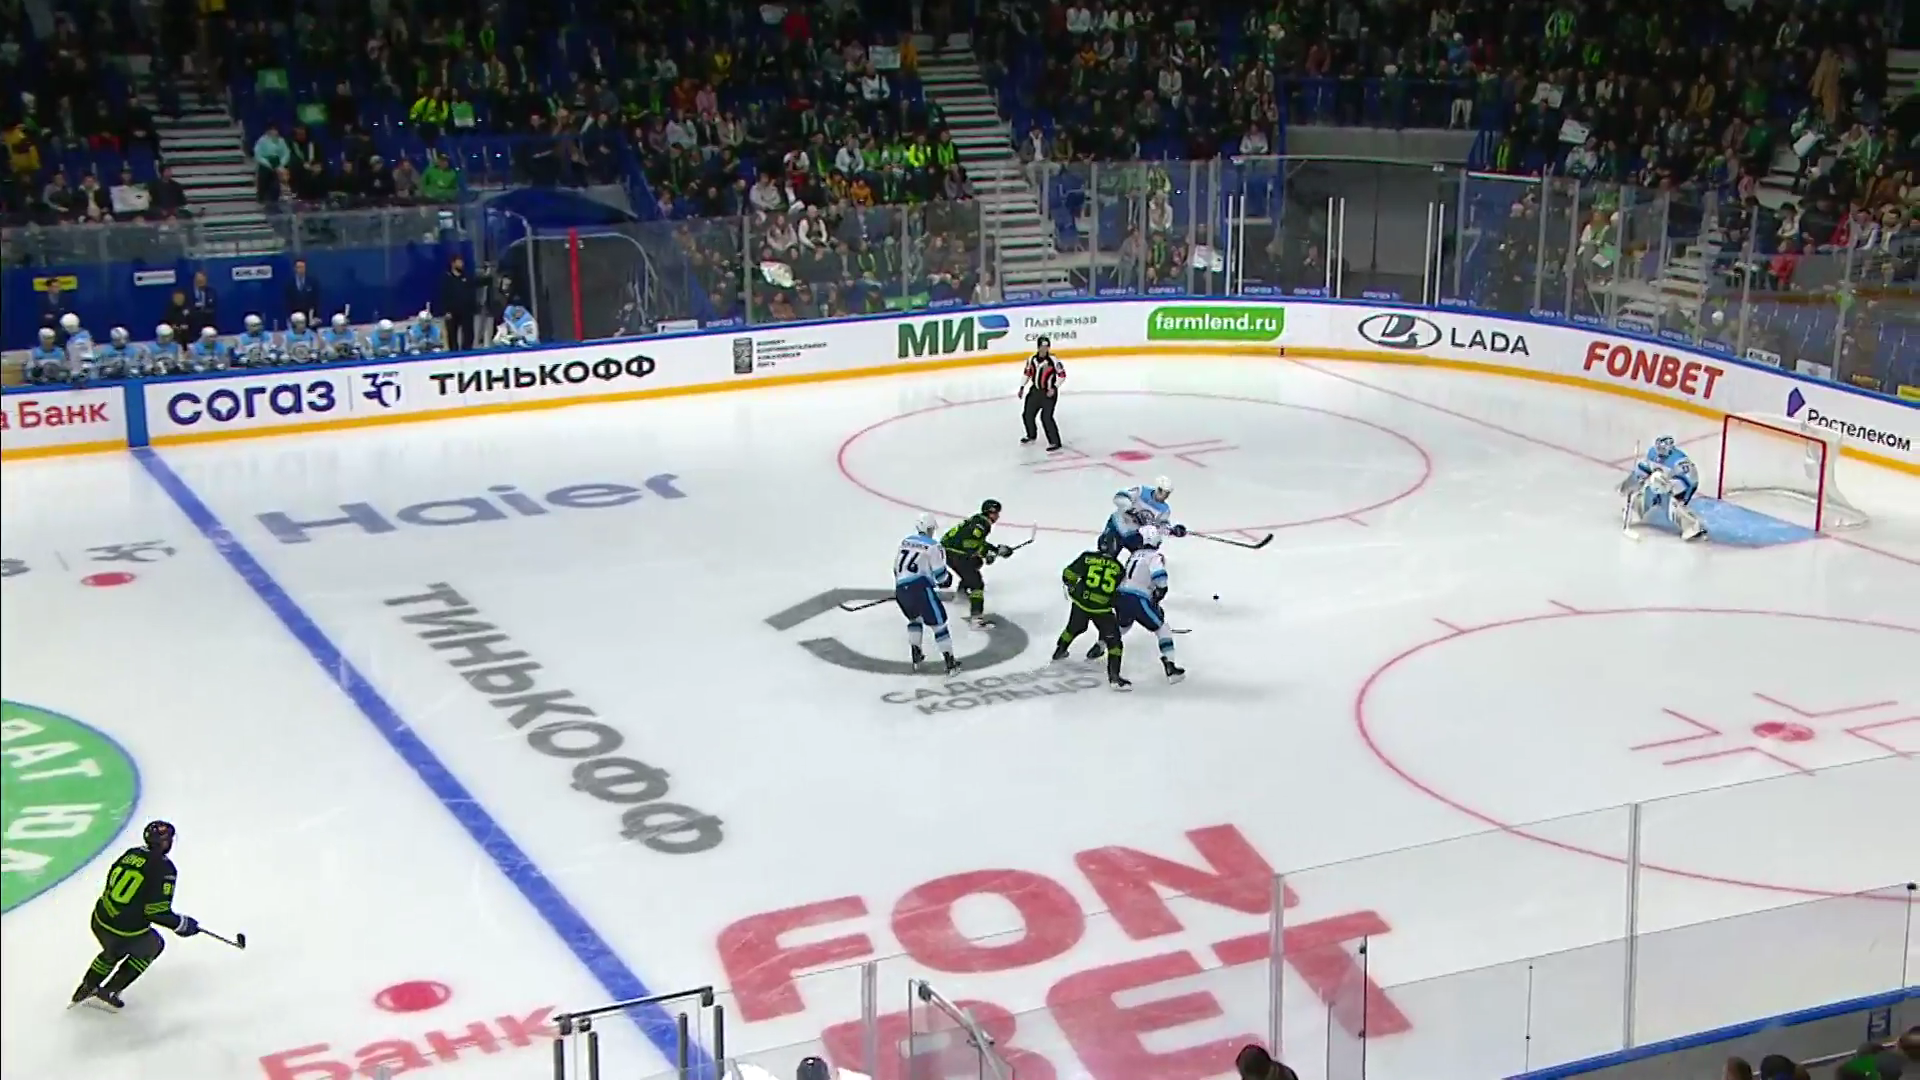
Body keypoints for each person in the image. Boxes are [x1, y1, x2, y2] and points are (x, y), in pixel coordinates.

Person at [70, 819, 200, 1010]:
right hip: (125, 929)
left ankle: (86, 989)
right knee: (153, 945)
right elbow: (157, 912)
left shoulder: (131, 854)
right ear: (165, 843)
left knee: (112, 951)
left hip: (101, 918)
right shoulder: (164, 869)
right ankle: (109, 992)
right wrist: (182, 924)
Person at [1091, 525, 1184, 683]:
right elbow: (1159, 576)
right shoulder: (1154, 556)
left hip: (1121, 595)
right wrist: (1161, 590)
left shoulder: (1134, 555)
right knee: (1162, 628)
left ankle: (1100, 645)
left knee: (1123, 625)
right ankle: (1170, 665)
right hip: (1137, 598)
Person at [1052, 530, 1130, 690]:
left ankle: (1060, 651)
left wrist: (1073, 587)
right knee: (1114, 643)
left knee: (1074, 628)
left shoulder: (1087, 557)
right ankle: (1114, 677)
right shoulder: (1119, 568)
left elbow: (1068, 574)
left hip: (1081, 603)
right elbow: (1121, 592)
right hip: (1102, 609)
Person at [895, 513, 962, 675]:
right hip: (920, 590)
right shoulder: (933, 546)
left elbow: (896, 568)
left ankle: (916, 655)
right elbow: (941, 576)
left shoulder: (905, 541)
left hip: (901, 589)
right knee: (939, 624)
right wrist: (946, 580)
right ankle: (950, 663)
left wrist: (904, 586)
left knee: (914, 619)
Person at [940, 498, 1017, 627]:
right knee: (977, 583)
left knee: (976, 563)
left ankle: (961, 596)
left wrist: (995, 550)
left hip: (949, 551)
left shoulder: (979, 520)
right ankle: (976, 619)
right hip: (954, 553)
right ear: (989, 512)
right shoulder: (982, 524)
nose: (998, 516)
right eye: (996, 513)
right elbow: (968, 543)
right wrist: (987, 553)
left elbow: (976, 542)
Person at [1620, 434, 1706, 540]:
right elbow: (1643, 470)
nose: (1660, 451)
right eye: (1659, 448)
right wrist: (1629, 484)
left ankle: (1692, 526)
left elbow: (1689, 480)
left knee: (1671, 505)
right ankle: (1634, 511)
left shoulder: (1679, 460)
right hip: (1661, 483)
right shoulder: (1652, 453)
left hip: (1683, 486)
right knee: (1648, 491)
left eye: (1663, 448)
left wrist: (1670, 487)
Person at [1103, 476, 1186, 552]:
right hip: (1118, 526)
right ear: (1157, 489)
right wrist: (1128, 506)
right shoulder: (1141, 491)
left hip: (1133, 535)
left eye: (1167, 494)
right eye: (1162, 491)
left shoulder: (1164, 510)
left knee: (1150, 546)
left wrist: (1172, 530)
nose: (1164, 496)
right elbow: (1119, 497)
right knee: (1106, 551)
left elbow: (1161, 526)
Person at [1019, 334, 1065, 449]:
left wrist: (1054, 388)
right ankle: (1031, 435)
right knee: (1027, 415)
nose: (1044, 349)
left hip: (1048, 393)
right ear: (1038, 347)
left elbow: (1062, 375)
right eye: (1042, 347)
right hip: (1035, 391)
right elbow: (1027, 373)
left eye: (1047, 347)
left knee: (1046, 417)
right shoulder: (1032, 359)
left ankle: (1055, 442)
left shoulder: (1053, 360)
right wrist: (1022, 387)